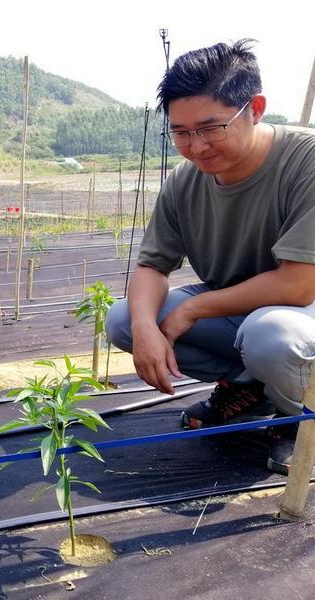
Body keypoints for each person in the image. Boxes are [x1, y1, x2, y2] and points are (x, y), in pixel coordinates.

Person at [106, 39, 315, 475]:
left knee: (271, 334)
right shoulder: (185, 183)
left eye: (210, 127)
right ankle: (250, 390)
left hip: (301, 315)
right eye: (180, 132)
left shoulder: (305, 161)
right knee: (125, 318)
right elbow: (150, 265)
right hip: (244, 314)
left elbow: (298, 285)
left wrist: (197, 307)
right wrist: (145, 328)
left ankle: (302, 421)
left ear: (254, 108)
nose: (195, 146)